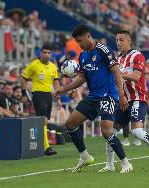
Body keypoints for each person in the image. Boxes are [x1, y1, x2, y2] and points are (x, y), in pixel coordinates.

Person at [54, 25, 133, 173]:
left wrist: (121, 96)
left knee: (106, 130)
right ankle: (85, 157)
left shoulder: (104, 51)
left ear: (88, 36)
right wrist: (64, 89)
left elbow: (117, 73)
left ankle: (125, 163)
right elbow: (82, 78)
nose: (79, 44)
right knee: (70, 124)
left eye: (80, 41)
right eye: (76, 42)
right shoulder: (83, 55)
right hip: (93, 97)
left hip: (108, 96)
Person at [99, 30, 149, 172]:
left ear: (129, 40)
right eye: (117, 40)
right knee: (109, 131)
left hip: (138, 98)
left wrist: (119, 74)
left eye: (121, 40)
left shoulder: (137, 56)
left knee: (136, 131)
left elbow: (136, 77)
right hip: (123, 100)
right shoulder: (118, 59)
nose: (118, 43)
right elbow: (117, 79)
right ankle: (110, 165)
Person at [21, 43, 61, 156]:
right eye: (44, 52)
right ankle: (46, 147)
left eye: (49, 53)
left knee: (45, 121)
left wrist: (58, 98)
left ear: (51, 54)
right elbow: (23, 77)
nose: (46, 55)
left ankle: (41, 145)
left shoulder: (53, 67)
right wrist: (24, 93)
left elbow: (56, 82)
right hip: (38, 94)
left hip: (48, 95)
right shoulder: (34, 65)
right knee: (43, 119)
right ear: (40, 53)